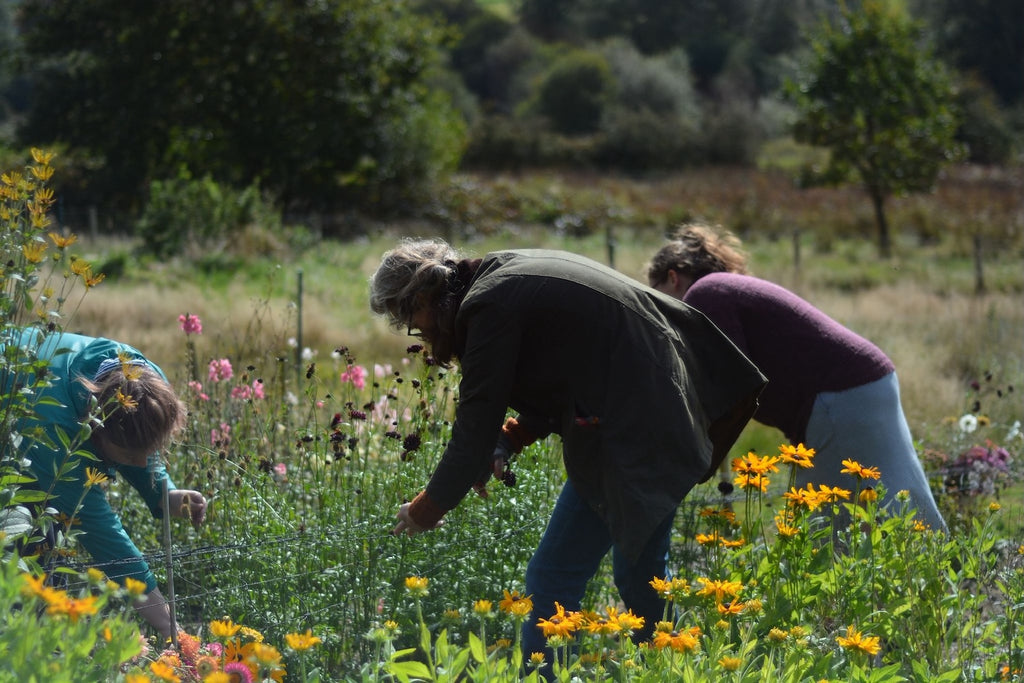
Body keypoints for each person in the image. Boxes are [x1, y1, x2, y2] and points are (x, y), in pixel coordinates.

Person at [369, 238, 766, 669]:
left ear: (423, 296)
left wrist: (426, 509)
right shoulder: (503, 275)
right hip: (651, 414)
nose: (420, 333)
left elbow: (474, 426)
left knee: (561, 578)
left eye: (410, 318)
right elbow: (568, 373)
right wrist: (511, 438)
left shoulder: (488, 305)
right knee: (637, 578)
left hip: (639, 426)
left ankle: (578, 674)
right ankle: (684, 668)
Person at [647, 225, 946, 532]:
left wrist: (697, 461)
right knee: (905, 503)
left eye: (656, 294)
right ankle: (954, 574)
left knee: (825, 530)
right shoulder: (725, 288)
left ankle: (937, 572)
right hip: (866, 384)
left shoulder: (704, 294)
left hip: (839, 397)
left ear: (672, 277)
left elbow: (726, 389)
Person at [3, 325, 206, 639]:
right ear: (93, 430)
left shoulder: (140, 379)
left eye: (147, 453)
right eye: (128, 455)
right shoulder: (55, 434)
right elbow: (104, 538)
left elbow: (137, 437)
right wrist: (168, 625)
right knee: (29, 538)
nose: (141, 463)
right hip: (21, 414)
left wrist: (164, 495)